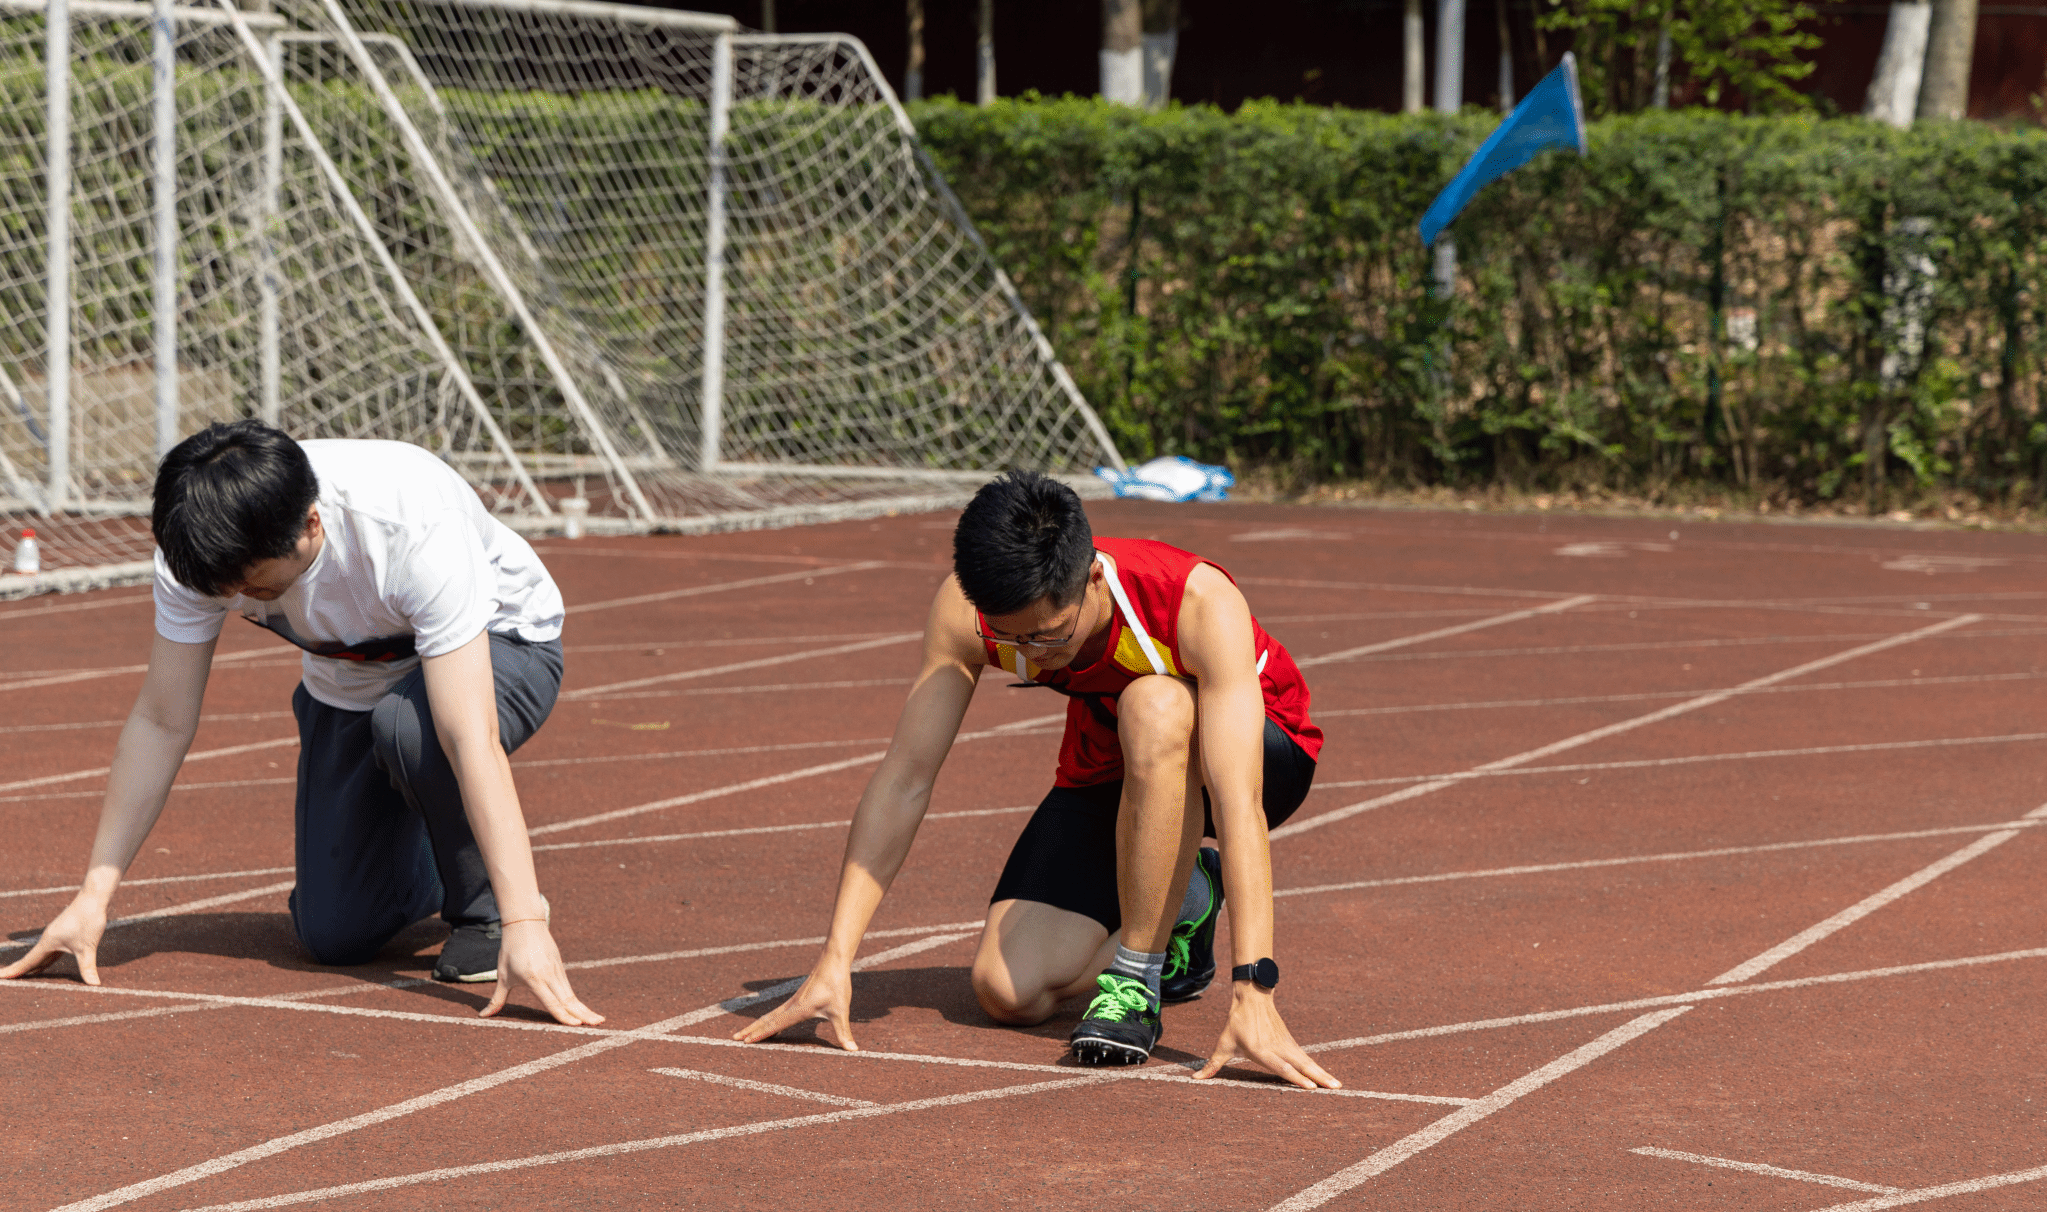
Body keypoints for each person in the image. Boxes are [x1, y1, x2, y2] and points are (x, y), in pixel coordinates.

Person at [737, 471, 1339, 1086]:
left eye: (1049, 636)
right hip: (1116, 762)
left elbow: (1241, 804)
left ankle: (1135, 979)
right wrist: (837, 960)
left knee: (1155, 704)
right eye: (1010, 637)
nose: (1031, 652)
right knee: (1007, 992)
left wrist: (1254, 989)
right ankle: (1186, 907)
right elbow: (905, 777)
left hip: (1259, 754)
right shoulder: (967, 611)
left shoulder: (1195, 602)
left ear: (1094, 580)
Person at [1, 422, 602, 1026]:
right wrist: (92, 896)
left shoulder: (407, 517)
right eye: (224, 587)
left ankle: (484, 912)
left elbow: (468, 736)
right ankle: (427, 862)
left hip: (505, 643)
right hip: (354, 678)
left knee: (413, 731)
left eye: (252, 581)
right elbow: (162, 719)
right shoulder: (200, 546)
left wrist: (523, 921)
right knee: (333, 935)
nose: (239, 597)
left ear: (312, 524)